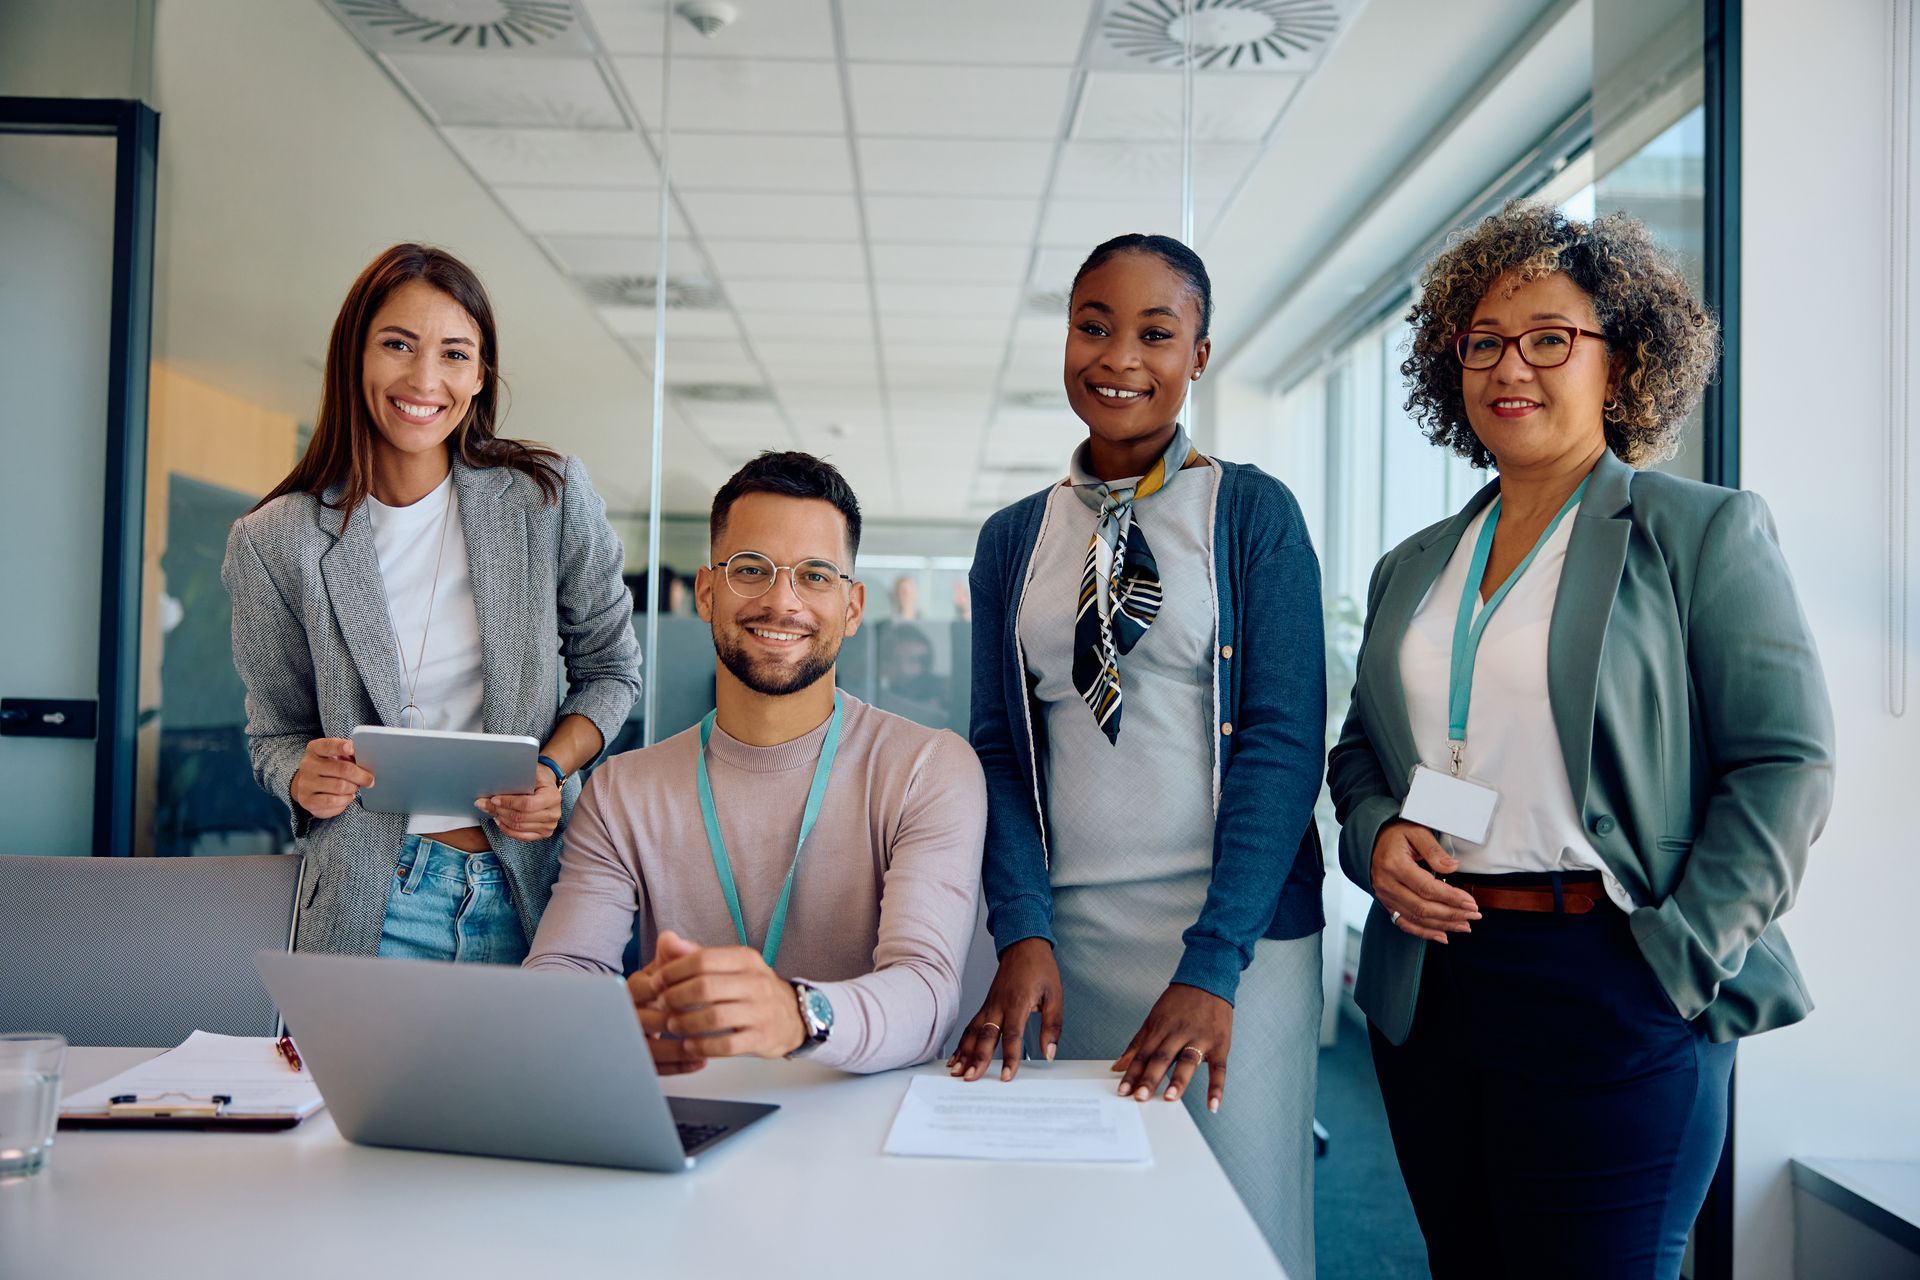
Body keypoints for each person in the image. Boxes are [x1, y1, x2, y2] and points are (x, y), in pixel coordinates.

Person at [1328, 202, 1834, 1279]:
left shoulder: (1697, 531)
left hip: (1613, 971)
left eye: (1550, 336)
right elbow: (1361, 749)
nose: (1512, 365)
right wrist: (1373, 834)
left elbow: (1785, 762)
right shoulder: (1413, 565)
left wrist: (1678, 955)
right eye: (1483, 341)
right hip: (1436, 978)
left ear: (1624, 360)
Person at [951, 234, 1326, 1274]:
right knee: (1080, 1228)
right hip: (1066, 943)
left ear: (1199, 354)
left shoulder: (1252, 515)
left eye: (1157, 332)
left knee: (1238, 1227)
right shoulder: (1012, 538)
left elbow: (1285, 749)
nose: (1120, 354)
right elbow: (999, 751)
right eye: (1093, 324)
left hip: (1233, 946)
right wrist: (1021, 928)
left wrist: (1214, 960)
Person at [223, 244, 640, 960]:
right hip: (374, 902)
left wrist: (551, 770)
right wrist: (302, 774)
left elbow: (613, 672)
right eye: (398, 345)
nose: (425, 378)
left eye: (454, 354)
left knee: (539, 1077)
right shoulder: (275, 540)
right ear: (355, 356)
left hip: (537, 890)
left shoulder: (547, 499)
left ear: (480, 375)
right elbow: (275, 736)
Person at [525, 452, 986, 1075]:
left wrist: (797, 1014)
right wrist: (606, 1019)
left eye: (815, 576)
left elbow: (927, 993)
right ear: (708, 592)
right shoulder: (622, 791)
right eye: (751, 570)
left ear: (852, 609)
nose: (781, 601)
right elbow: (564, 969)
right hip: (689, 1115)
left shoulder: (926, 769)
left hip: (859, 1127)